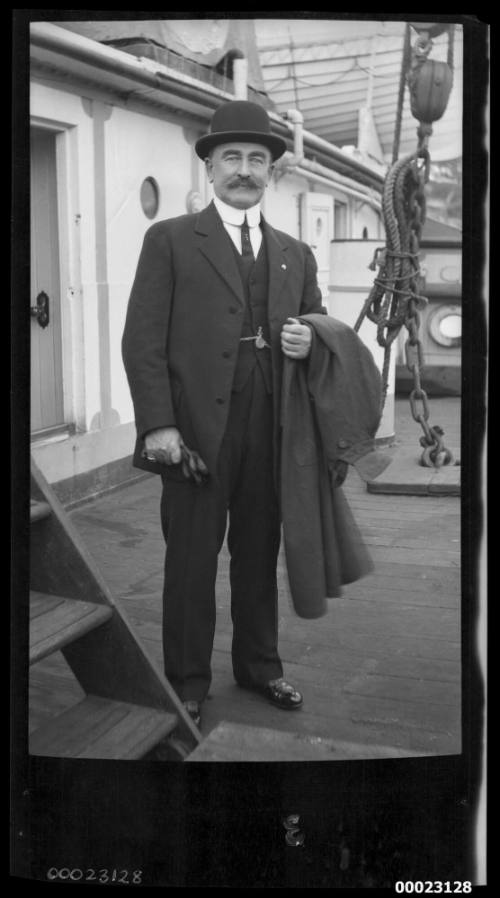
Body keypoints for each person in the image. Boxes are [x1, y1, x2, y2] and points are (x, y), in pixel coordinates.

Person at [122, 100, 330, 728]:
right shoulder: (170, 240)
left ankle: (260, 667)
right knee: (189, 558)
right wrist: (159, 424)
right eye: (232, 158)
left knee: (259, 553)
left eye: (257, 160)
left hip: (272, 427)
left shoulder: (296, 252)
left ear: (272, 172)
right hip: (193, 434)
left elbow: (317, 325)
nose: (245, 170)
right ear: (210, 169)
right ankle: (186, 680)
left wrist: (309, 340)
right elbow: (143, 338)